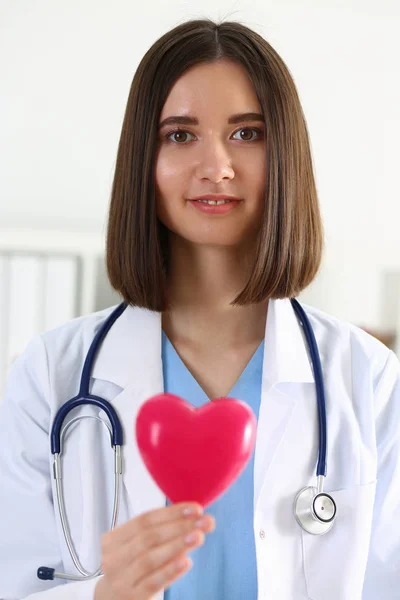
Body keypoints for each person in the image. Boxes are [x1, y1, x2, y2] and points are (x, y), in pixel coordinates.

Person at [0, 16, 399, 600]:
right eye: (180, 135)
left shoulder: (368, 380)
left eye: (247, 133)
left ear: (285, 154)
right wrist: (102, 595)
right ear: (144, 158)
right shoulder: (51, 376)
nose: (216, 166)